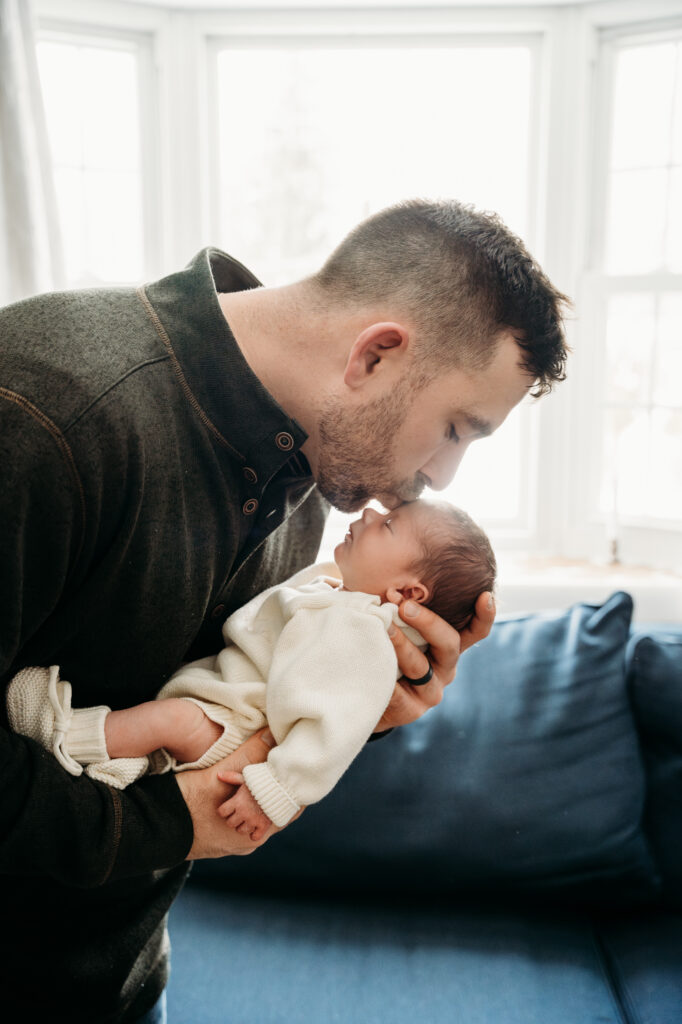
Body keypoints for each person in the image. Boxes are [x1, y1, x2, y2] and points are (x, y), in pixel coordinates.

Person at [0, 198, 569, 1022]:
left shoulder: (305, 475)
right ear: (376, 353)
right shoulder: (45, 412)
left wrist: (364, 702)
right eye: (454, 428)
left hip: (118, 982)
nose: (442, 478)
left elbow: (214, 698)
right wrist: (161, 826)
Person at [8, 499, 496, 842]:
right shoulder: (338, 596)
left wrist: (276, 791)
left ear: (408, 595)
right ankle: (107, 756)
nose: (369, 513)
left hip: (235, 727)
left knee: (171, 721)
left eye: (388, 525)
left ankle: (60, 737)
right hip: (225, 703)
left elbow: (335, 728)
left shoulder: (364, 631)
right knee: (165, 721)